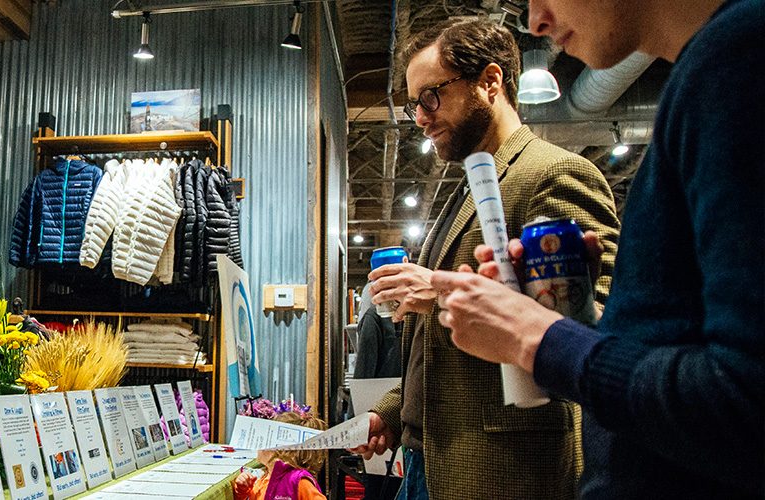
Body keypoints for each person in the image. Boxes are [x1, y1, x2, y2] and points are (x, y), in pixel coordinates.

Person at [429, 0, 764, 497]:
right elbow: (667, 337)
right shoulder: (709, 68)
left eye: (431, 97)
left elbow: (745, 401)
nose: (536, 20)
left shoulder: (736, 60)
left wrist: (538, 338)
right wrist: (566, 309)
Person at [351, 18, 621, 500]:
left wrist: (438, 290)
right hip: (425, 459)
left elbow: (593, 332)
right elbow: (434, 354)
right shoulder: (466, 186)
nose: (420, 116)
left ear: (490, 82)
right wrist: (392, 413)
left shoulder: (554, 173)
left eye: (430, 96)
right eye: (414, 103)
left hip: (503, 468)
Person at [233, 411, 328, 500]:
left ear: (284, 451)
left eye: (267, 437)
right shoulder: (262, 478)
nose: (260, 442)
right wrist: (242, 490)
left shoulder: (299, 482)